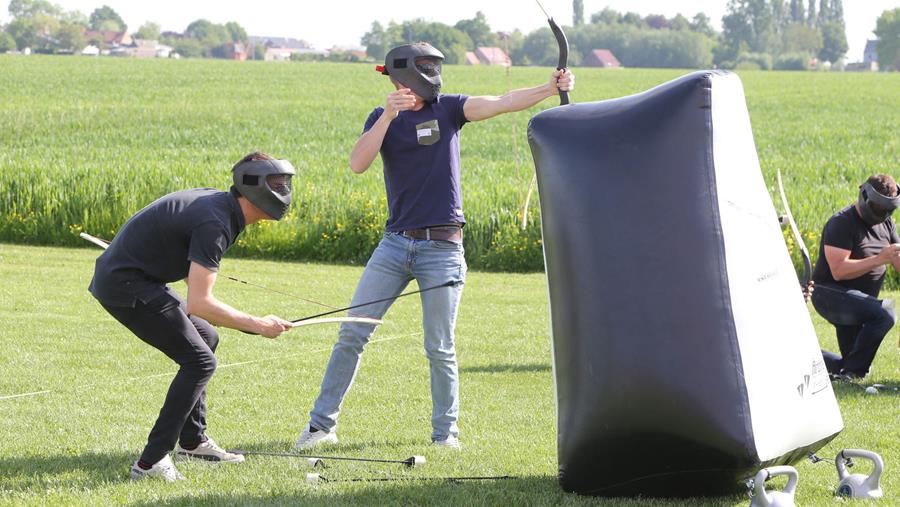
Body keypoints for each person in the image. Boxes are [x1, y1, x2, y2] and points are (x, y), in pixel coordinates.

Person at [295, 42, 574, 450]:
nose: (432, 75)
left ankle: (446, 435)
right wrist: (389, 114)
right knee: (352, 333)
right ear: (400, 75)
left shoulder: (449, 109)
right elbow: (358, 163)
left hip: (443, 249)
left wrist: (549, 88)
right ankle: (320, 427)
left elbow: (501, 102)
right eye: (425, 67)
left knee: (439, 346)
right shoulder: (381, 118)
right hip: (394, 247)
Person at [89, 152, 295, 481]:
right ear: (252, 186)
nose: (284, 191)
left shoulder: (222, 208)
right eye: (277, 184)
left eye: (285, 183)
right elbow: (200, 304)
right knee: (200, 362)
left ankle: (193, 441)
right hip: (125, 285)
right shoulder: (216, 222)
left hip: (137, 278)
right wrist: (258, 324)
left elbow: (191, 276)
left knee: (207, 338)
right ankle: (150, 462)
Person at [811, 174, 900, 381]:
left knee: (849, 363)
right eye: (879, 209)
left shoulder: (887, 224)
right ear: (864, 195)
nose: (883, 215)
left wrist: (890, 257)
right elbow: (838, 271)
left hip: (859, 302)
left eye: (888, 210)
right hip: (830, 296)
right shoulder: (841, 222)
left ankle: (805, 357)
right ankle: (852, 373)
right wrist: (880, 259)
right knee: (885, 314)